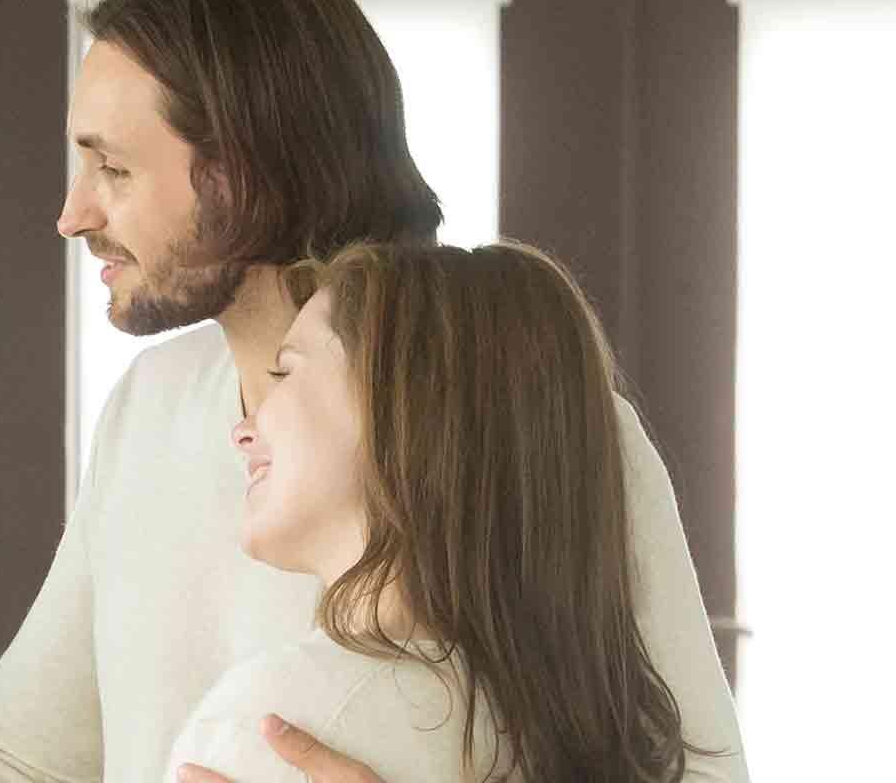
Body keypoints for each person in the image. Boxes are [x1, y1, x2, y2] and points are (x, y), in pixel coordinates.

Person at [0, 0, 745, 780]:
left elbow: (700, 775)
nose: (73, 215)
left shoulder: (516, 417)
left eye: (116, 169)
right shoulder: (154, 404)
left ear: (245, 169)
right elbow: (16, 756)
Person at [170, 241, 720, 782]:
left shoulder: (276, 729)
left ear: (397, 410)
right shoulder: (562, 733)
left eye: (286, 372)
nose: (243, 429)